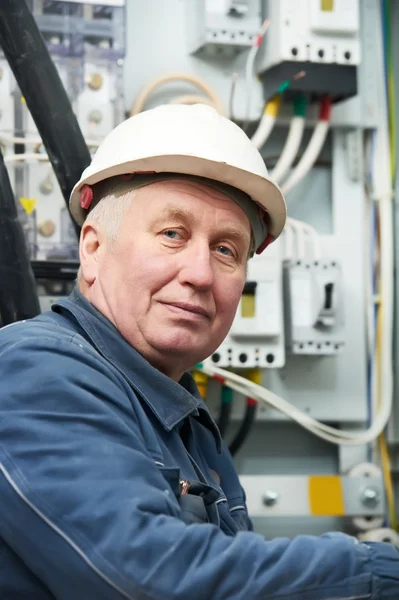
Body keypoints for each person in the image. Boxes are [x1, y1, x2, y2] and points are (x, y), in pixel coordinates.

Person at [0, 103, 397, 599]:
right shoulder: (34, 370)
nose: (201, 273)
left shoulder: (184, 421)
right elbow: (152, 578)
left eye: (226, 249)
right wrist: (378, 570)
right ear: (93, 249)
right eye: (172, 234)